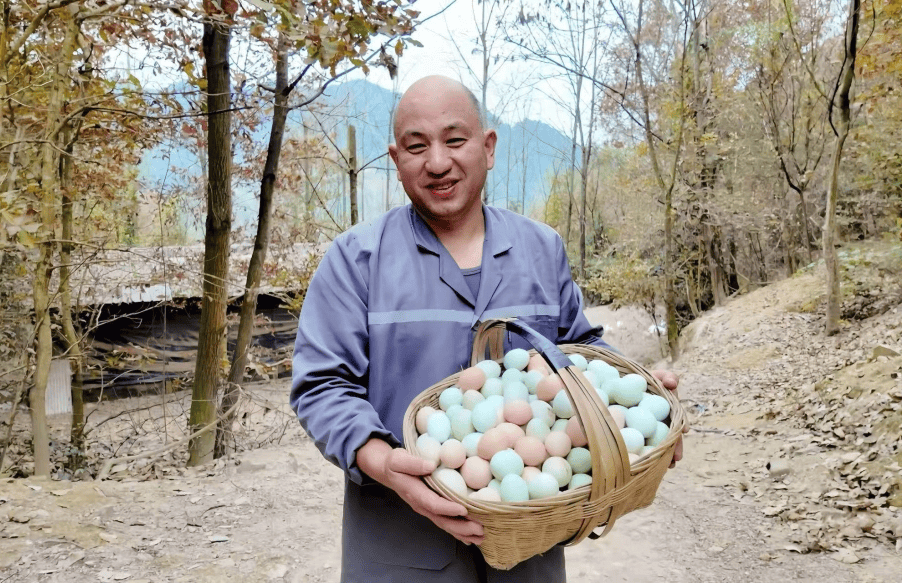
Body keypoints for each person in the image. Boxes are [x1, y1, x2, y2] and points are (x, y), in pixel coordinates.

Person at [290, 75, 684, 582]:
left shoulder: (541, 250)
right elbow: (322, 386)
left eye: (455, 140)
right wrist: (384, 462)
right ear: (396, 159)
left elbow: (579, 351)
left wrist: (633, 403)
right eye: (417, 147)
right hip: (397, 544)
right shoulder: (355, 260)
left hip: (530, 546)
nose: (437, 162)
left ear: (489, 147)